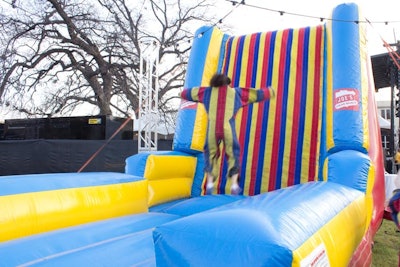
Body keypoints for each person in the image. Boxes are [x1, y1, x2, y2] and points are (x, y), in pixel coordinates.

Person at [180, 73, 274, 195]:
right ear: (227, 83)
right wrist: (270, 91)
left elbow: (188, 93)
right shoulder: (236, 93)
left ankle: (209, 183)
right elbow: (256, 94)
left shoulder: (206, 92)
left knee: (210, 154)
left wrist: (180, 93)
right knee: (233, 153)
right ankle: (234, 184)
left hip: (212, 130)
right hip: (228, 128)